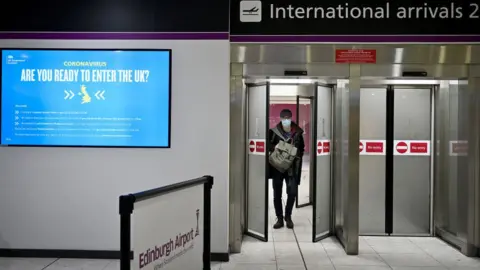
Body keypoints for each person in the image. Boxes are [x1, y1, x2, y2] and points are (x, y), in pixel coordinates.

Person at [268, 109, 305, 229]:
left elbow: (302, 148)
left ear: (291, 117)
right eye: (283, 117)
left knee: (292, 193)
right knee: (277, 193)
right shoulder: (273, 132)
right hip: (277, 168)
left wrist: (294, 153)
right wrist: (276, 147)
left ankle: (288, 216)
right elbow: (268, 145)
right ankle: (279, 218)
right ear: (280, 118)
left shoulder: (297, 133)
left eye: (288, 117)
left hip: (292, 168)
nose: (286, 119)